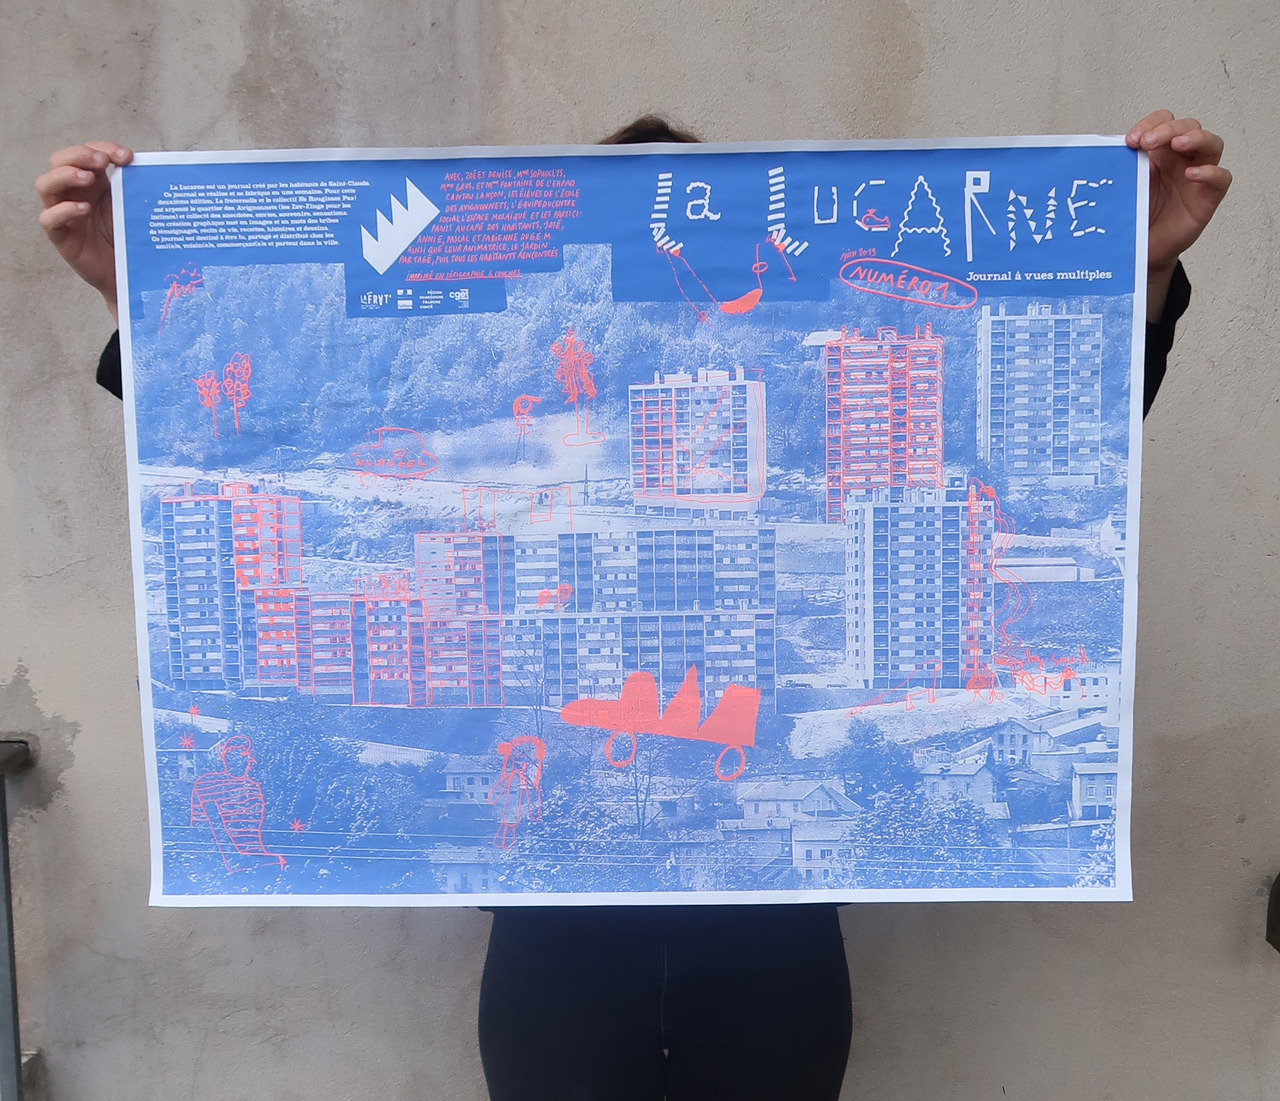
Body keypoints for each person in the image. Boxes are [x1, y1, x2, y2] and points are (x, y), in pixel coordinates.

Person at [37, 109, 1230, 1100]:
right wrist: (137, 307)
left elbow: (1023, 465)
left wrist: (1142, 279)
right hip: (553, 944)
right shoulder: (515, 425)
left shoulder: (805, 406)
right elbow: (259, 453)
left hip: (776, 947)